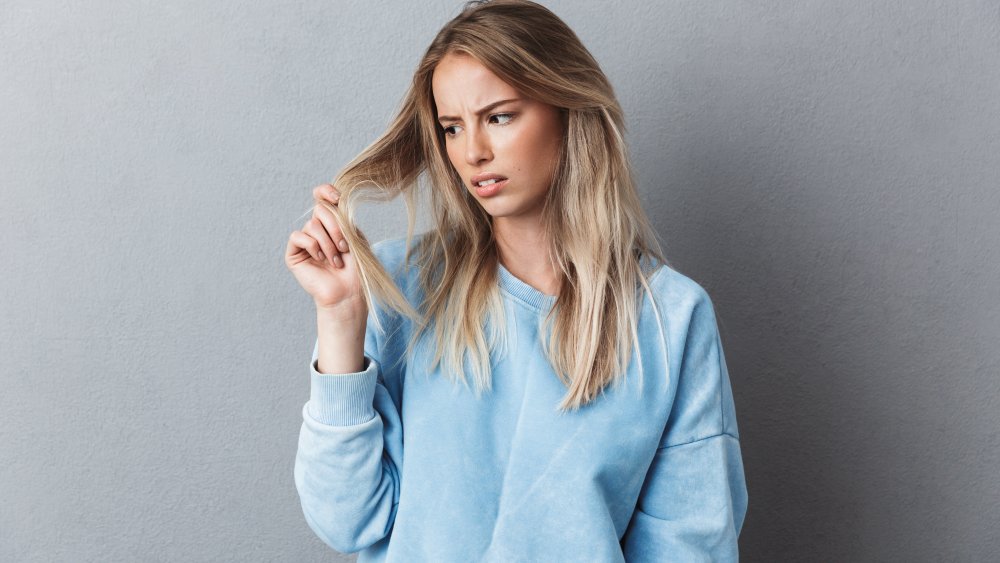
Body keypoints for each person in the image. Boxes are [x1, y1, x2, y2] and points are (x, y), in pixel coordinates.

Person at [283, 1, 748, 560]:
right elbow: (347, 520)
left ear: (567, 108)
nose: (473, 152)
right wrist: (339, 322)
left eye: (499, 116)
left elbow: (691, 545)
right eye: (452, 127)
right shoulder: (399, 289)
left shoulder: (669, 317)